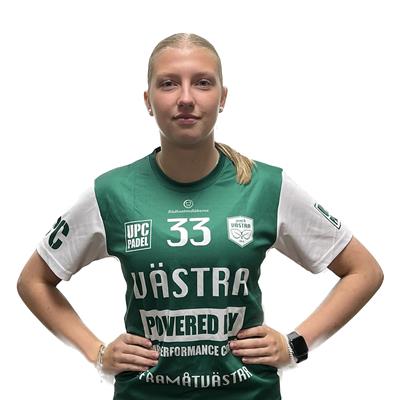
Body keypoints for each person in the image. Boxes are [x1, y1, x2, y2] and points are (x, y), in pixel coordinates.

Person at [17, 32, 384, 400]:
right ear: (148, 100)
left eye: (203, 83)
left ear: (223, 97)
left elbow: (364, 271)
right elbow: (34, 281)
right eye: (168, 83)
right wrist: (97, 353)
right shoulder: (112, 192)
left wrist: (294, 346)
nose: (186, 98)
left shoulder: (266, 186)